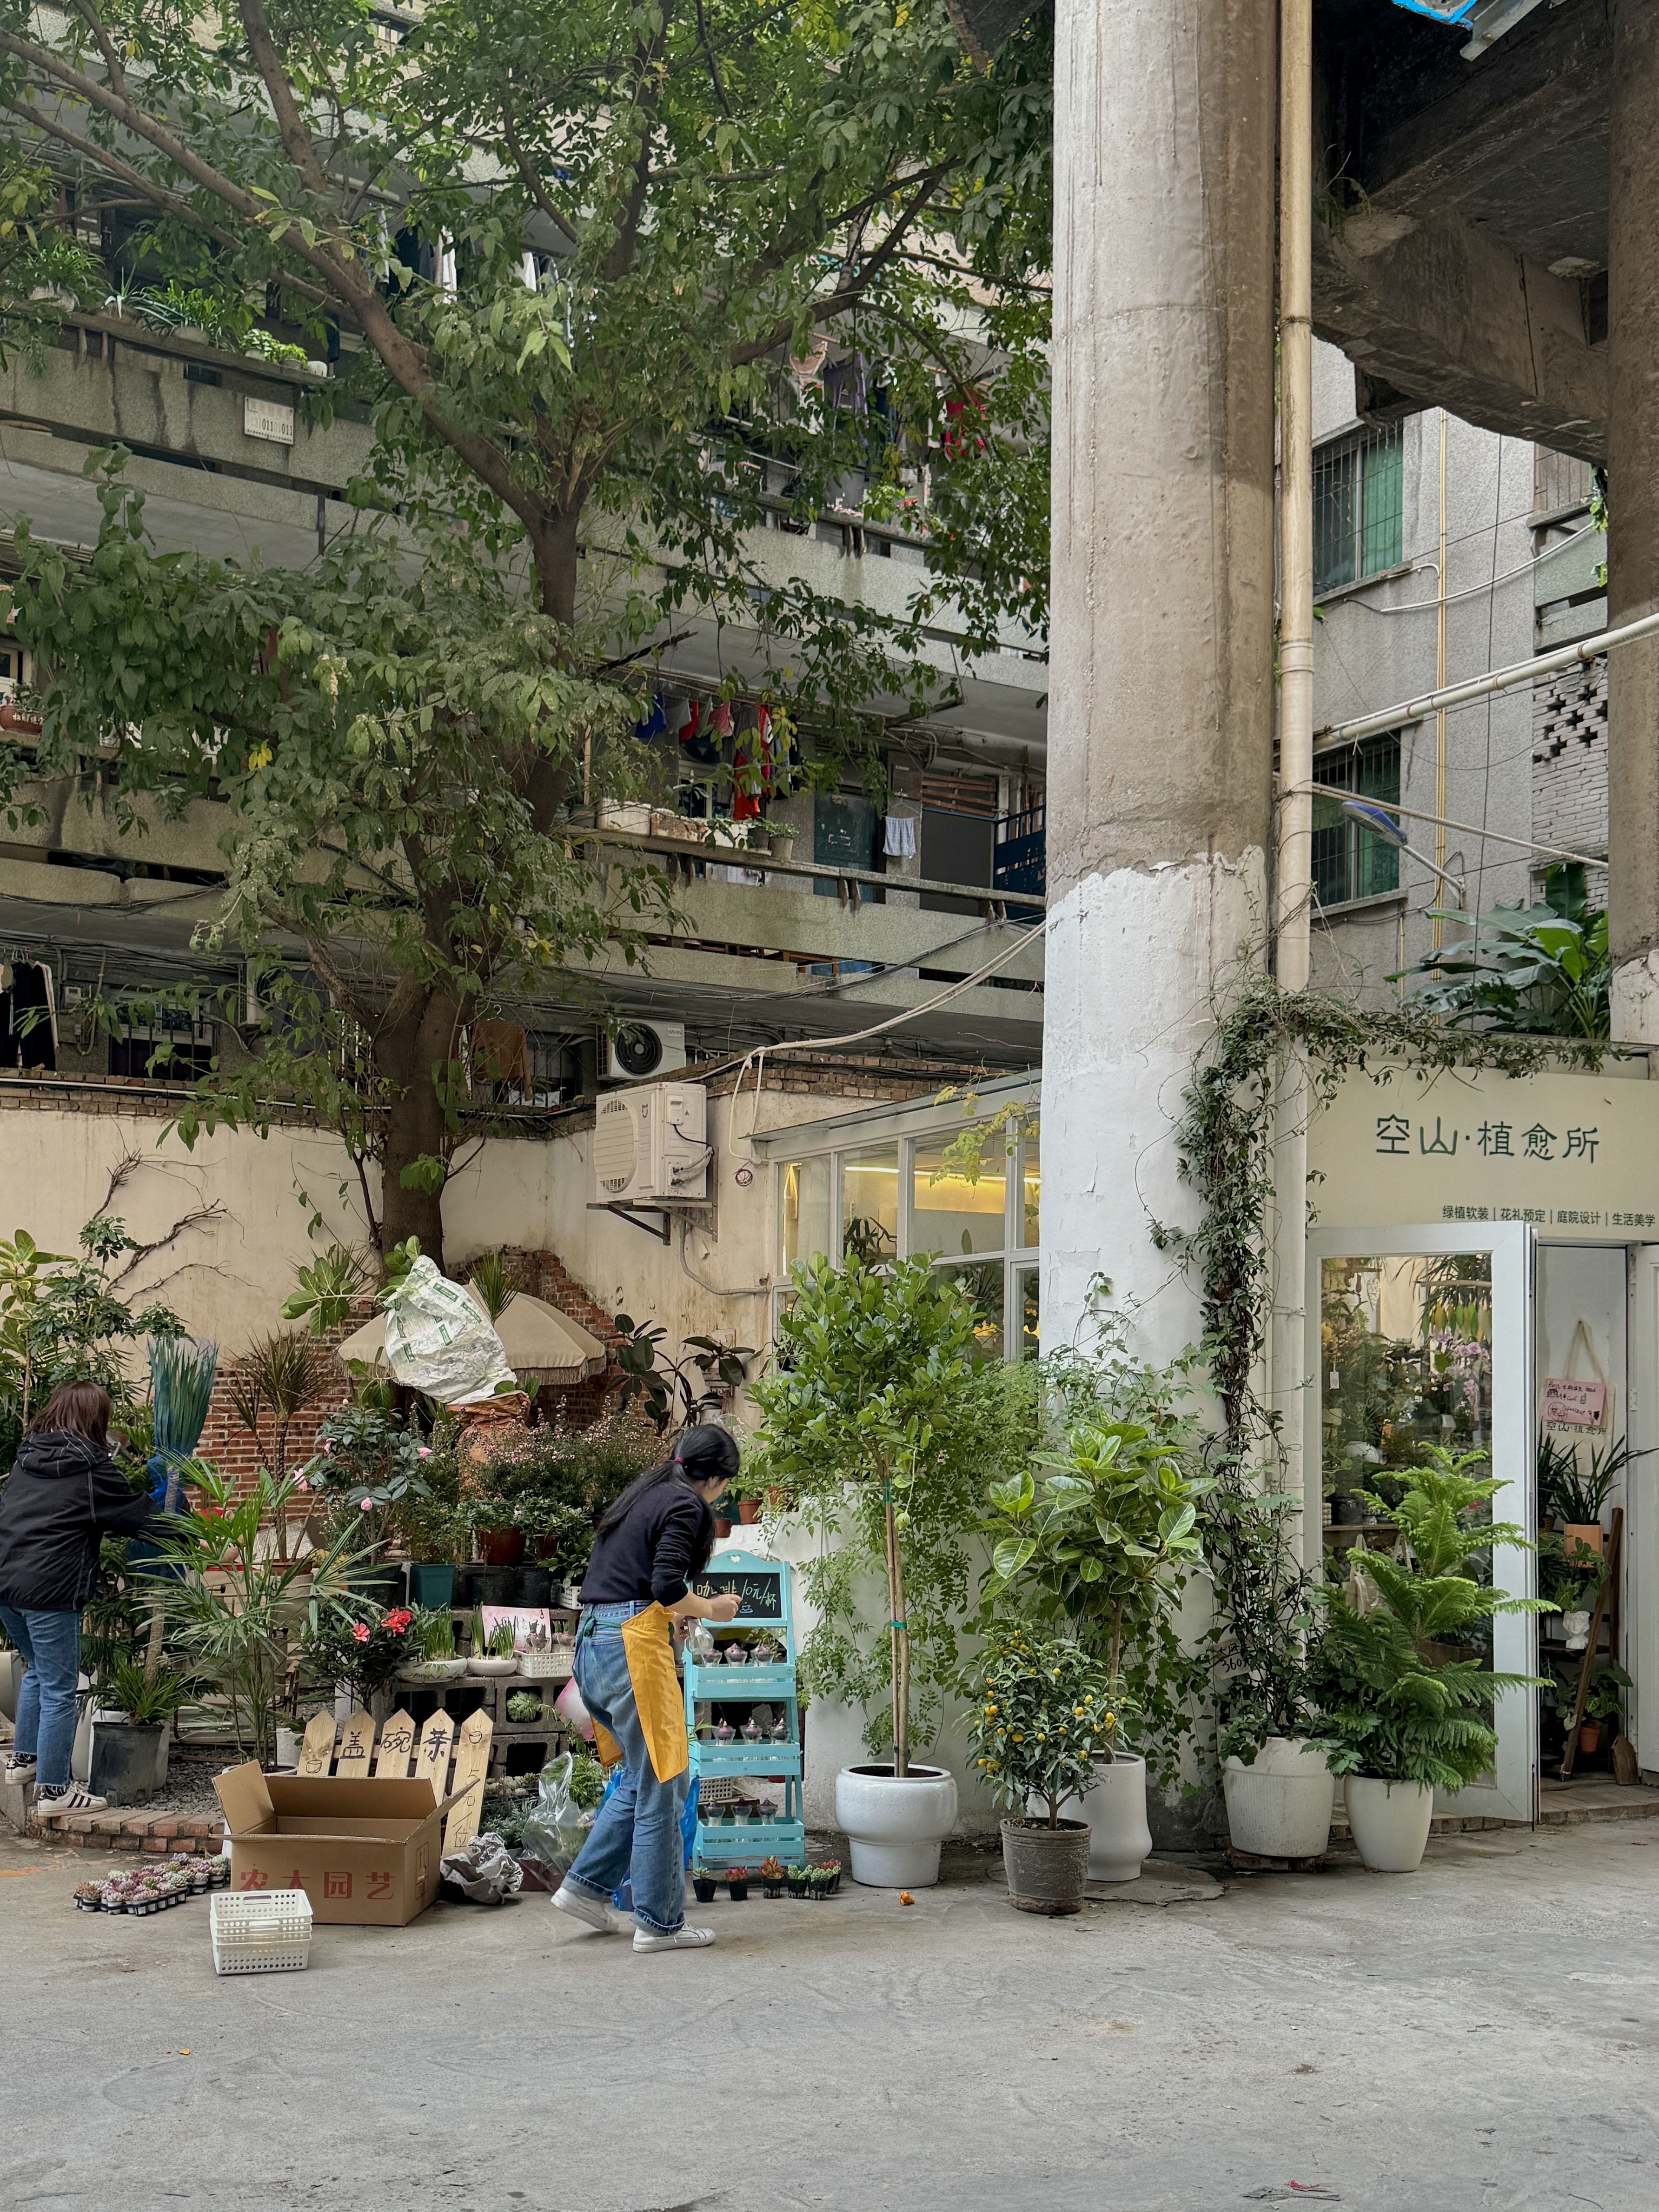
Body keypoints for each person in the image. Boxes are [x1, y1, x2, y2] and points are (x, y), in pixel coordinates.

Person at [554, 1423, 743, 1954]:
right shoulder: (687, 1507)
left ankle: (584, 1888)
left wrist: (673, 1616)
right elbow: (665, 1584)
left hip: (594, 1641)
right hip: (630, 1647)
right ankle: (659, 1923)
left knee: (642, 1777)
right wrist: (711, 1609)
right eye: (725, 1483)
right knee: (666, 1778)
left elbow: (633, 1582)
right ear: (716, 1478)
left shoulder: (643, 1495)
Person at [0, 1381, 169, 1813]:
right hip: (50, 1589)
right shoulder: (92, 1467)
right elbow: (137, 1517)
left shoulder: (27, 1459)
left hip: (6, 1586)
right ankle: (56, 1792)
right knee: (60, 1686)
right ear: (97, 1420)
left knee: (38, 1668)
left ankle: (25, 1761)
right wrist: (198, 1536)